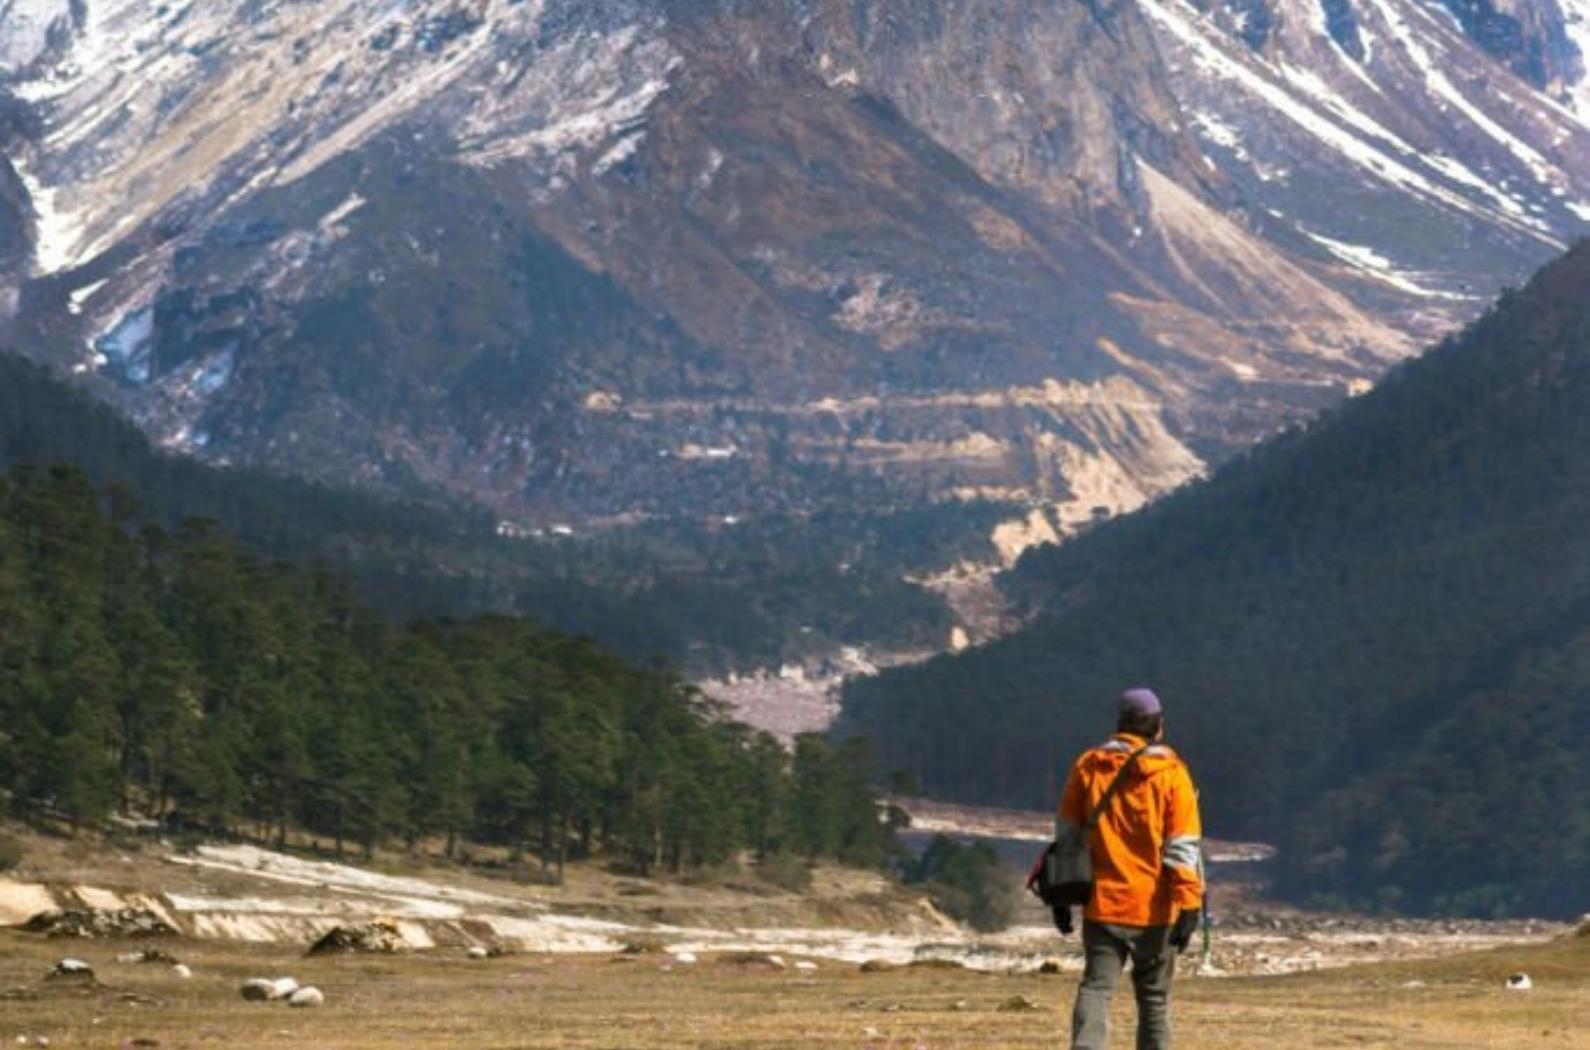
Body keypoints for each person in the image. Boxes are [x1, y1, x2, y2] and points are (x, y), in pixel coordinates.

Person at [1056, 686, 1203, 1050]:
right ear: (1158, 726)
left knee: (1095, 989)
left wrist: (1061, 894)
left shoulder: (1089, 765)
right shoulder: (1171, 773)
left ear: (1120, 724)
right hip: (1155, 908)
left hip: (1103, 904)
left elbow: (1068, 835)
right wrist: (1189, 904)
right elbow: (1182, 845)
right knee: (1153, 1000)